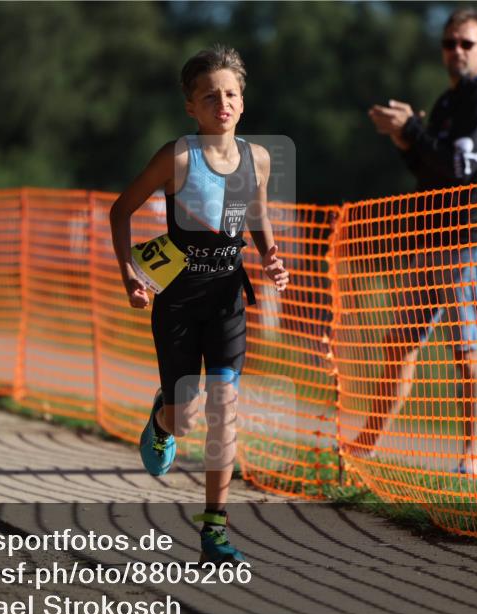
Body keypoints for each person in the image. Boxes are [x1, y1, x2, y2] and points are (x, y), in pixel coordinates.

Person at [109, 46, 289, 563]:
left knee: (224, 409)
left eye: (231, 93)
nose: (223, 103)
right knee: (185, 417)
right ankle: (162, 419)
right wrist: (128, 272)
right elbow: (120, 212)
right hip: (179, 303)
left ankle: (215, 530)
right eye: (210, 96)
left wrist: (270, 256)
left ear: (243, 100)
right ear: (191, 106)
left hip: (228, 298)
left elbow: (255, 213)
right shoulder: (178, 157)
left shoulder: (257, 157)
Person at [358, 8, 477, 475]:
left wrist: (412, 131)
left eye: (466, 44)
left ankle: (469, 465)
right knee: (399, 343)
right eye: (450, 43)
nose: (457, 51)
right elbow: (431, 172)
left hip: (471, 241)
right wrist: (405, 141)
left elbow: (460, 167)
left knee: (468, 351)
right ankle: (364, 447)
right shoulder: (449, 103)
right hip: (432, 238)